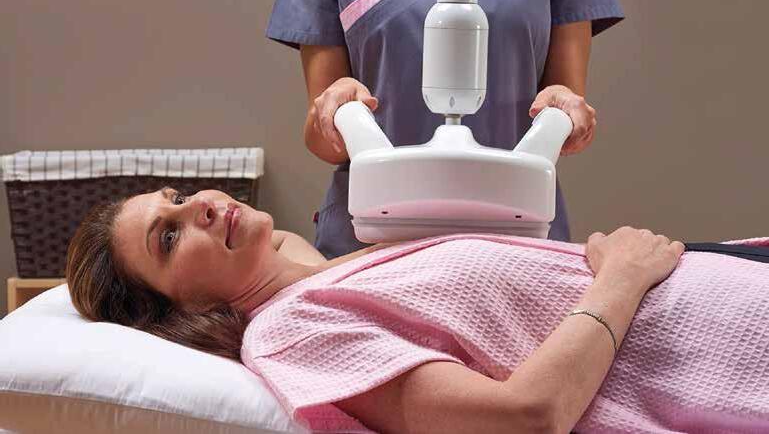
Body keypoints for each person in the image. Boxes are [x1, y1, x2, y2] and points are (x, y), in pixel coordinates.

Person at [67, 188, 769, 433]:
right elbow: (523, 417)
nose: (199, 205)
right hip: (730, 359)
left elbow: (285, 248)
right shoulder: (286, 333)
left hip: (726, 284)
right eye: (168, 237)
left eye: (177, 195)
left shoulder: (305, 274)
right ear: (179, 313)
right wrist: (622, 276)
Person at [265, 0, 625, 259]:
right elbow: (323, 139)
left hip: (516, 235)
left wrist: (564, 109)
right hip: (374, 242)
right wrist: (340, 108)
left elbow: (566, 99)